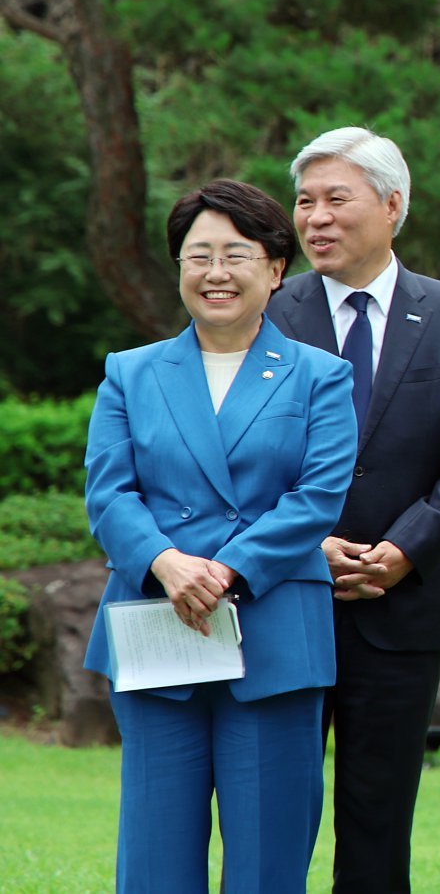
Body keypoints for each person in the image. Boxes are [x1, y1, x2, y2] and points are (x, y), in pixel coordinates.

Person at [83, 179, 357, 892]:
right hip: (157, 627)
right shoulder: (130, 373)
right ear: (179, 269)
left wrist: (226, 569)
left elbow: (317, 496)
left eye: (235, 255)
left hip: (274, 636)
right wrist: (167, 562)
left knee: (268, 859)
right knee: (155, 855)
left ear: (275, 269)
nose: (215, 273)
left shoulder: (322, 378)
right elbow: (109, 492)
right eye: (197, 256)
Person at [266, 127, 440, 893]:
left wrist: (403, 550)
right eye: (306, 202)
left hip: (403, 605)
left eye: (338, 199)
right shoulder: (267, 311)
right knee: (273, 807)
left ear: (392, 205)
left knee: (378, 813)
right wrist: (308, 544)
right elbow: (231, 450)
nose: (316, 219)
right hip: (285, 595)